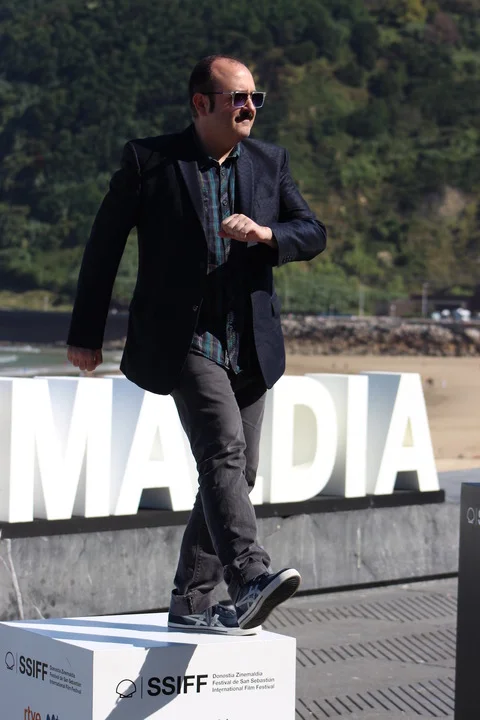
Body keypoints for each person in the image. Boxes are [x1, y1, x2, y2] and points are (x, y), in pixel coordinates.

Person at [67, 55, 327, 635]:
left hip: (250, 343)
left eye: (255, 97)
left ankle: (191, 602)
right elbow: (104, 244)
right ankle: (250, 576)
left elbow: (313, 232)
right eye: (238, 97)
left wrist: (266, 234)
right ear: (201, 103)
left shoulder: (270, 162)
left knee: (239, 472)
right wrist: (86, 334)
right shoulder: (149, 160)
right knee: (223, 450)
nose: (250, 107)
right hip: (185, 339)